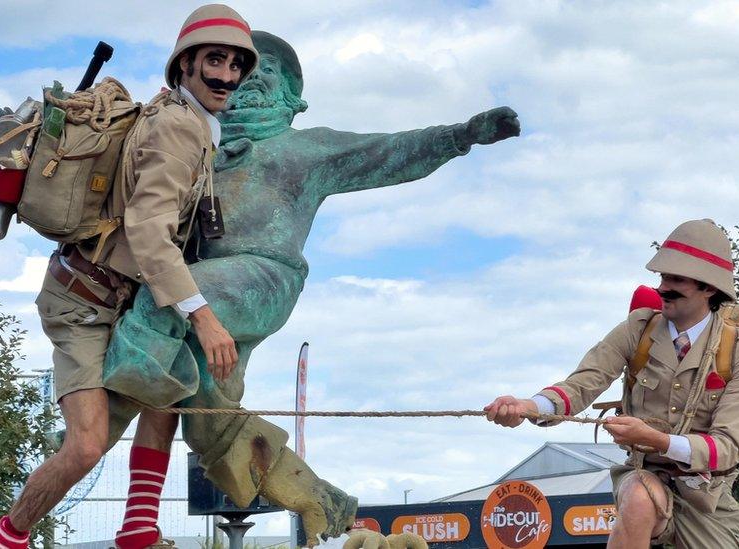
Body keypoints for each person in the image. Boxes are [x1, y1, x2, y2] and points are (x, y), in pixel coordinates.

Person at [100, 30, 521, 547]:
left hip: (262, 274)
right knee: (209, 419)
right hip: (204, 290)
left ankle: (94, 428)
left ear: (292, 100)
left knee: (164, 301)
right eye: (244, 73)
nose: (250, 82)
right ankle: (328, 505)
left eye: (267, 74)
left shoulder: (306, 147)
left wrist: (462, 134)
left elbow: (387, 151)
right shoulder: (196, 143)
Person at [0, 5, 258, 548]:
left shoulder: (191, 122)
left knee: (165, 393)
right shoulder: (179, 128)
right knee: (85, 447)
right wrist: (203, 318)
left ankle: (137, 530)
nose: (226, 75)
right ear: (184, 66)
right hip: (80, 303)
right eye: (213, 60)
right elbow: (152, 235)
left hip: (123, 298)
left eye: (235, 64)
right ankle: (6, 538)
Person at [485, 219, 739, 548]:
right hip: (644, 475)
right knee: (639, 497)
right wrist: (528, 407)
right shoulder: (638, 328)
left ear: (708, 288)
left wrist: (656, 439)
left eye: (676, 278)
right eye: (662, 276)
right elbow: (582, 384)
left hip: (709, 497)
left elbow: (727, 447)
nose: (662, 287)